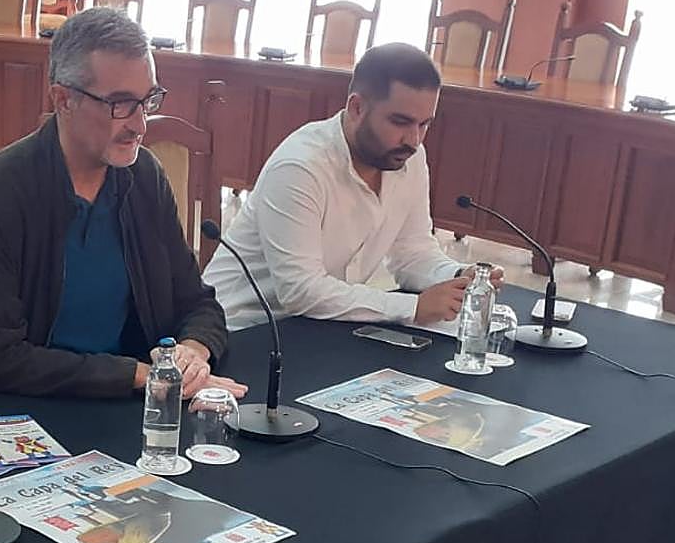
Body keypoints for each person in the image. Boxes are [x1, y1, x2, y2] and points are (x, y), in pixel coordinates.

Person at [0, 7, 246, 400]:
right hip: (27, 407)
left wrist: (192, 353)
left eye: (148, 100)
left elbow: (197, 302)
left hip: (125, 402)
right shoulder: (6, 185)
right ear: (63, 99)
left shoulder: (144, 176)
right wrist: (140, 374)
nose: (139, 125)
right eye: (120, 104)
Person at [202, 42, 503, 330]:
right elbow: (300, 291)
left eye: (424, 124)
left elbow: (412, 253)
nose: (413, 140)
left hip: (322, 328)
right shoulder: (301, 167)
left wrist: (457, 276)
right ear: (357, 108)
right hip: (240, 330)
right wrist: (412, 308)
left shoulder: (407, 158)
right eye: (400, 122)